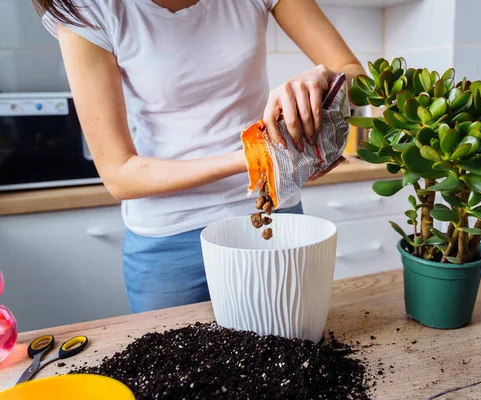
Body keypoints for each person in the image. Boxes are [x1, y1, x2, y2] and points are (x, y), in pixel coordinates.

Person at [34, 0, 365, 313]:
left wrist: (324, 79)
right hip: (167, 241)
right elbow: (119, 175)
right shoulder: (87, 8)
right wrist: (253, 158)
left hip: (274, 219)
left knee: (291, 358)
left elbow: (357, 76)